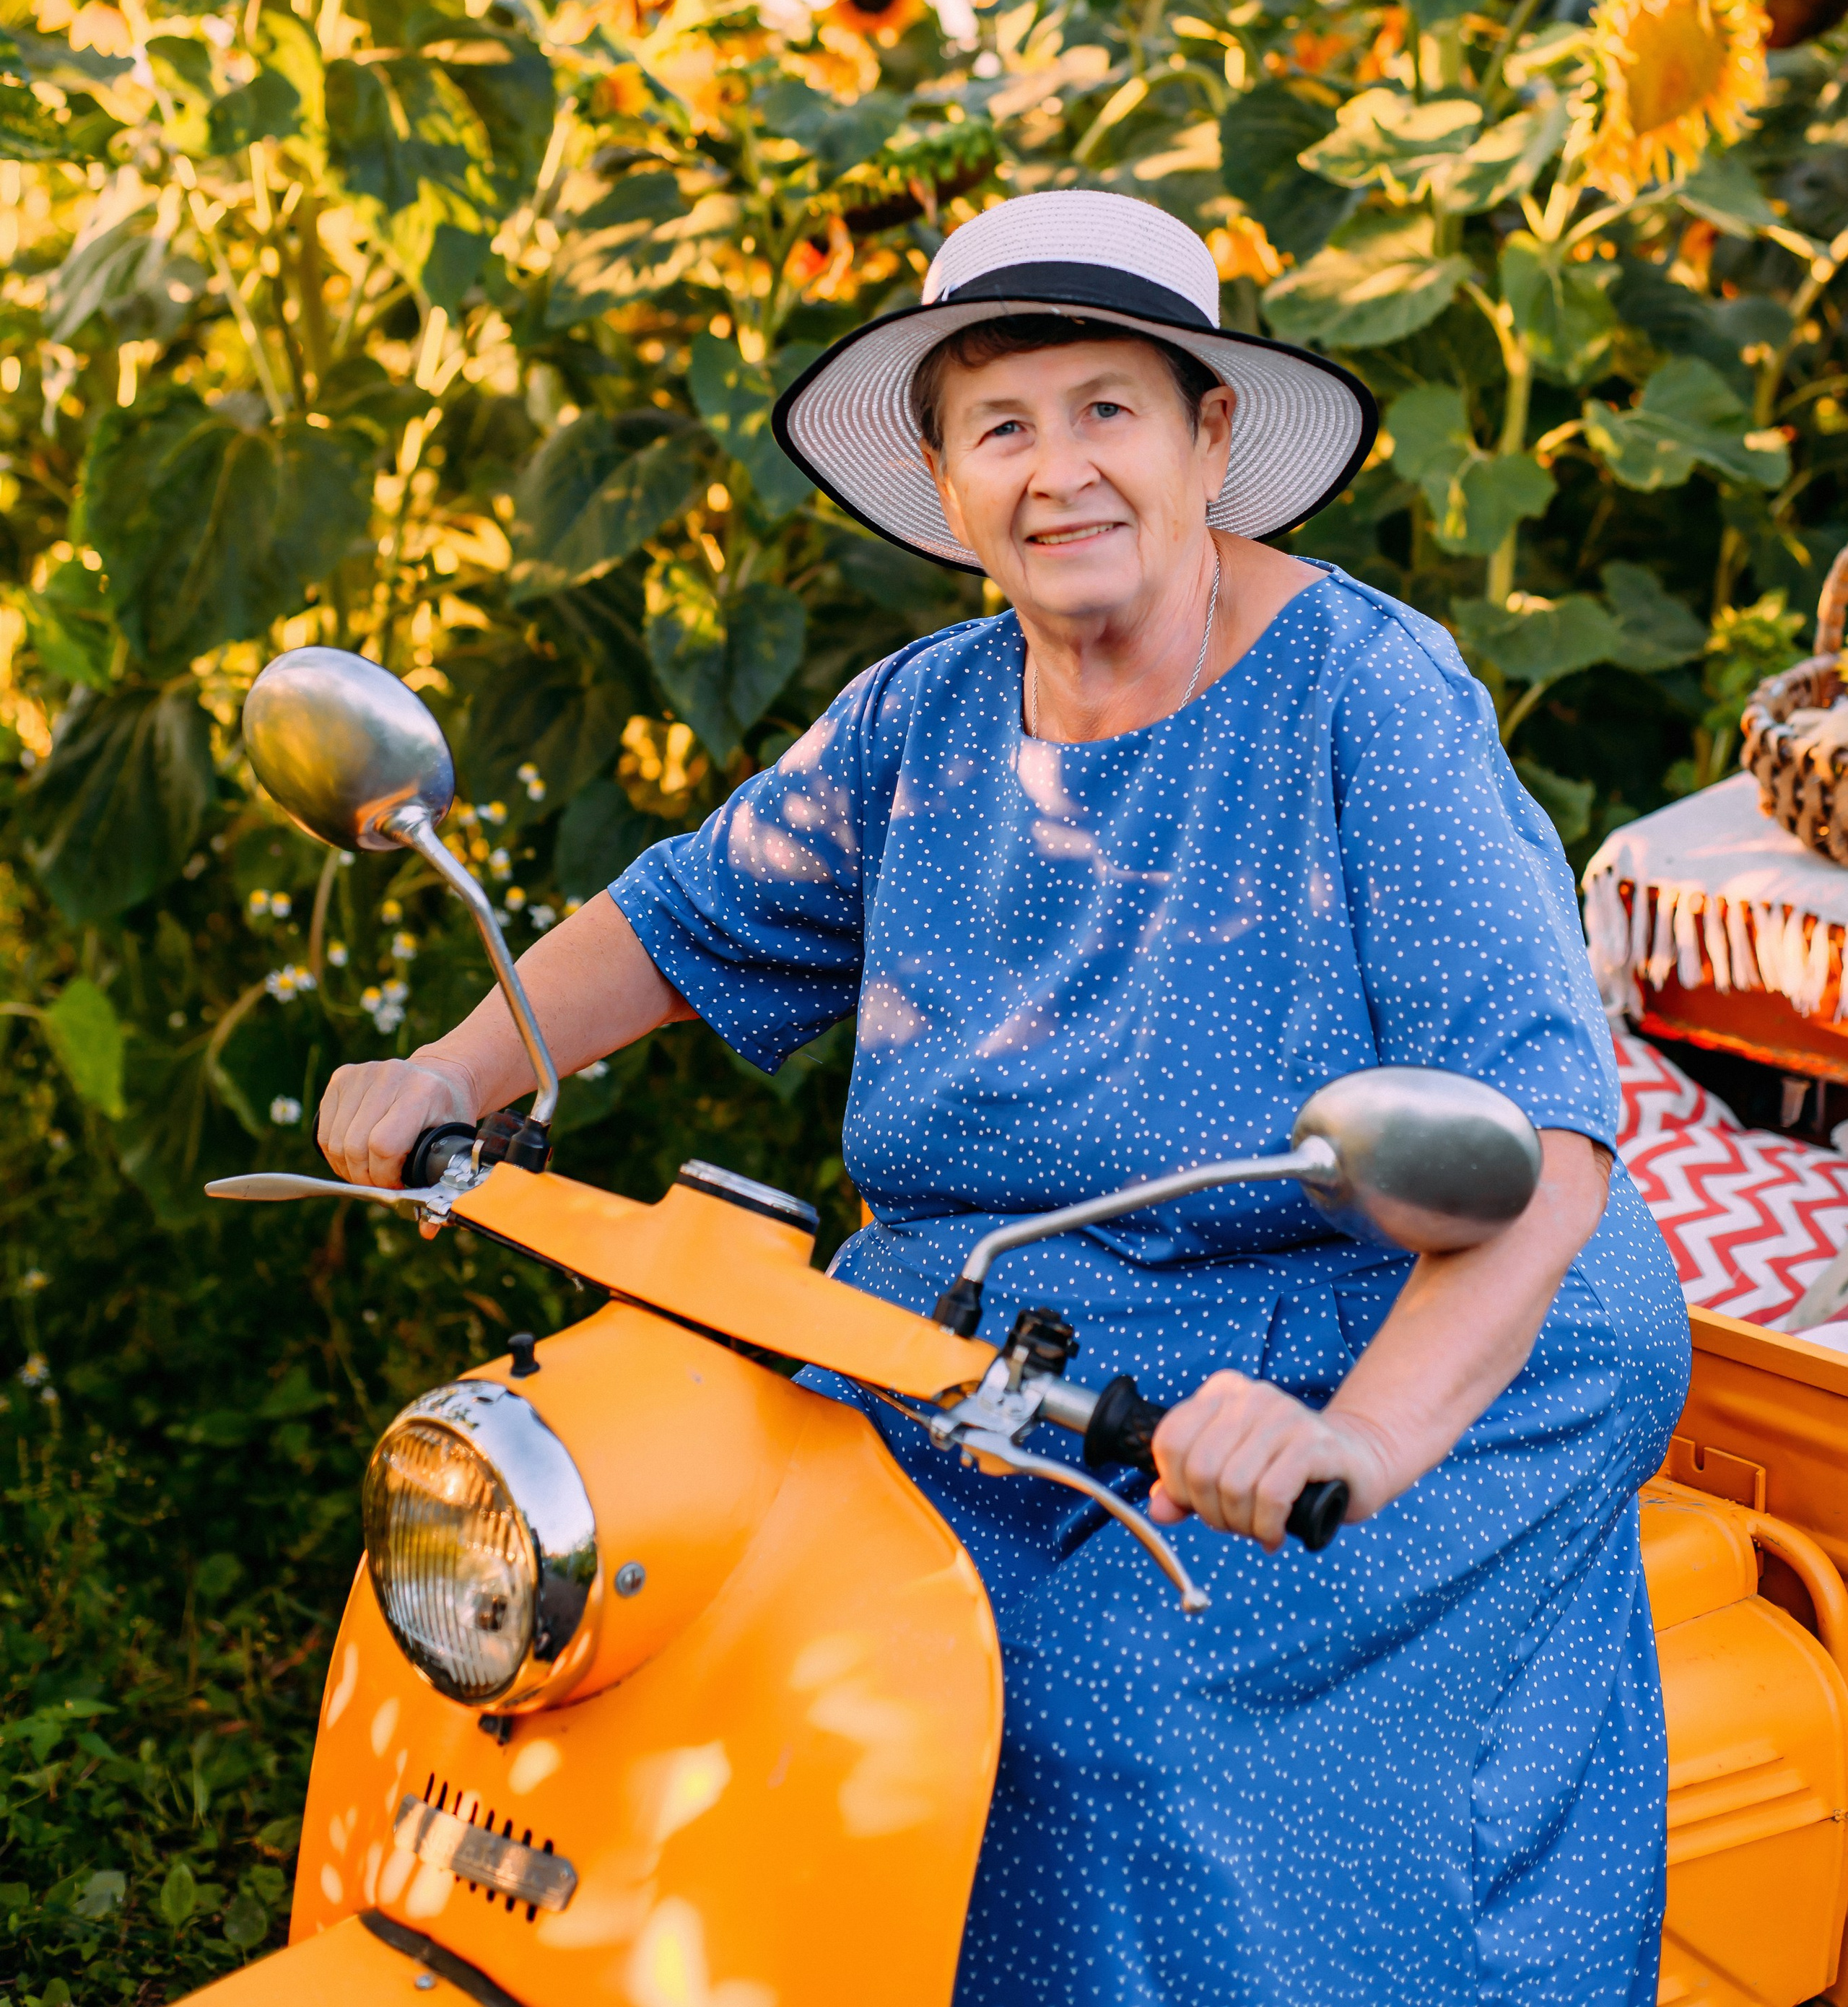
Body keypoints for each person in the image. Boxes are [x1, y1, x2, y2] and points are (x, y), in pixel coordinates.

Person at [318, 189, 1691, 2006]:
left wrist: (1352, 1439)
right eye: (1000, 423)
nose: (1059, 470)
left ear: (1210, 436)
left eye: (1108, 406)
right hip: (998, 1334)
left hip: (1391, 1327)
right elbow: (685, 915)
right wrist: (451, 1066)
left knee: (1085, 1726)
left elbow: (1543, 1145)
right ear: (946, 480)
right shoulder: (925, 715)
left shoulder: (1369, 697)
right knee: (738, 1620)